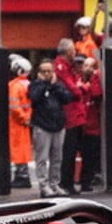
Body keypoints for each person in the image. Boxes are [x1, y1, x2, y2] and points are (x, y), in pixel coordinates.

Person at [27, 60, 75, 198]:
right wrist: (43, 84)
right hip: (42, 126)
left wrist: (55, 86)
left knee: (57, 158)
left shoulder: (58, 85)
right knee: (42, 158)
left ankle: (55, 183)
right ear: (39, 73)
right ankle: (44, 185)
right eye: (44, 71)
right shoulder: (35, 85)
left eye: (50, 71)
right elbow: (33, 97)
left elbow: (67, 98)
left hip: (58, 126)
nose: (47, 74)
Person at [62, 54, 104, 195]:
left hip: (92, 124)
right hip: (78, 122)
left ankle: (86, 182)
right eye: (83, 65)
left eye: (88, 66)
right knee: (72, 153)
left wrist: (92, 79)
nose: (84, 68)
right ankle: (71, 181)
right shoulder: (76, 79)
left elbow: (97, 94)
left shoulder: (95, 80)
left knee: (89, 156)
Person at [7, 55, 33, 191]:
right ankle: (22, 174)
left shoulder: (15, 86)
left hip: (16, 122)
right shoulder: (28, 85)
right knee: (22, 149)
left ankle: (21, 176)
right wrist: (27, 118)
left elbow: (13, 106)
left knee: (18, 150)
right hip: (24, 121)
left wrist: (23, 117)